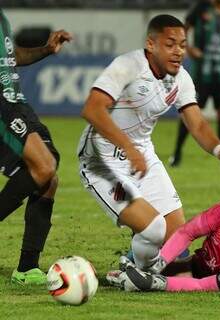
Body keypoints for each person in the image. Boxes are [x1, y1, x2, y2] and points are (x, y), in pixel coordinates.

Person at [78, 14, 220, 271]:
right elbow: (92, 109)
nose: (178, 51)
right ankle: (141, 277)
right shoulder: (127, 66)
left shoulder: (181, 79)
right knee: (154, 229)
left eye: (182, 44)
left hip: (142, 155)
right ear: (151, 44)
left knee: (177, 240)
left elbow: (197, 124)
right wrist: (128, 147)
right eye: (170, 44)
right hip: (103, 162)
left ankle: (135, 264)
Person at [0, 9, 72, 284]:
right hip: (2, 106)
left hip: (16, 104)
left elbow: (11, 57)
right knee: (43, 166)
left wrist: (46, 50)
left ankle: (26, 268)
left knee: (48, 178)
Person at [169, 0, 220, 168]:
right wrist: (189, 48)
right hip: (202, 72)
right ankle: (177, 153)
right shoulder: (201, 7)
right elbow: (183, 29)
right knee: (191, 111)